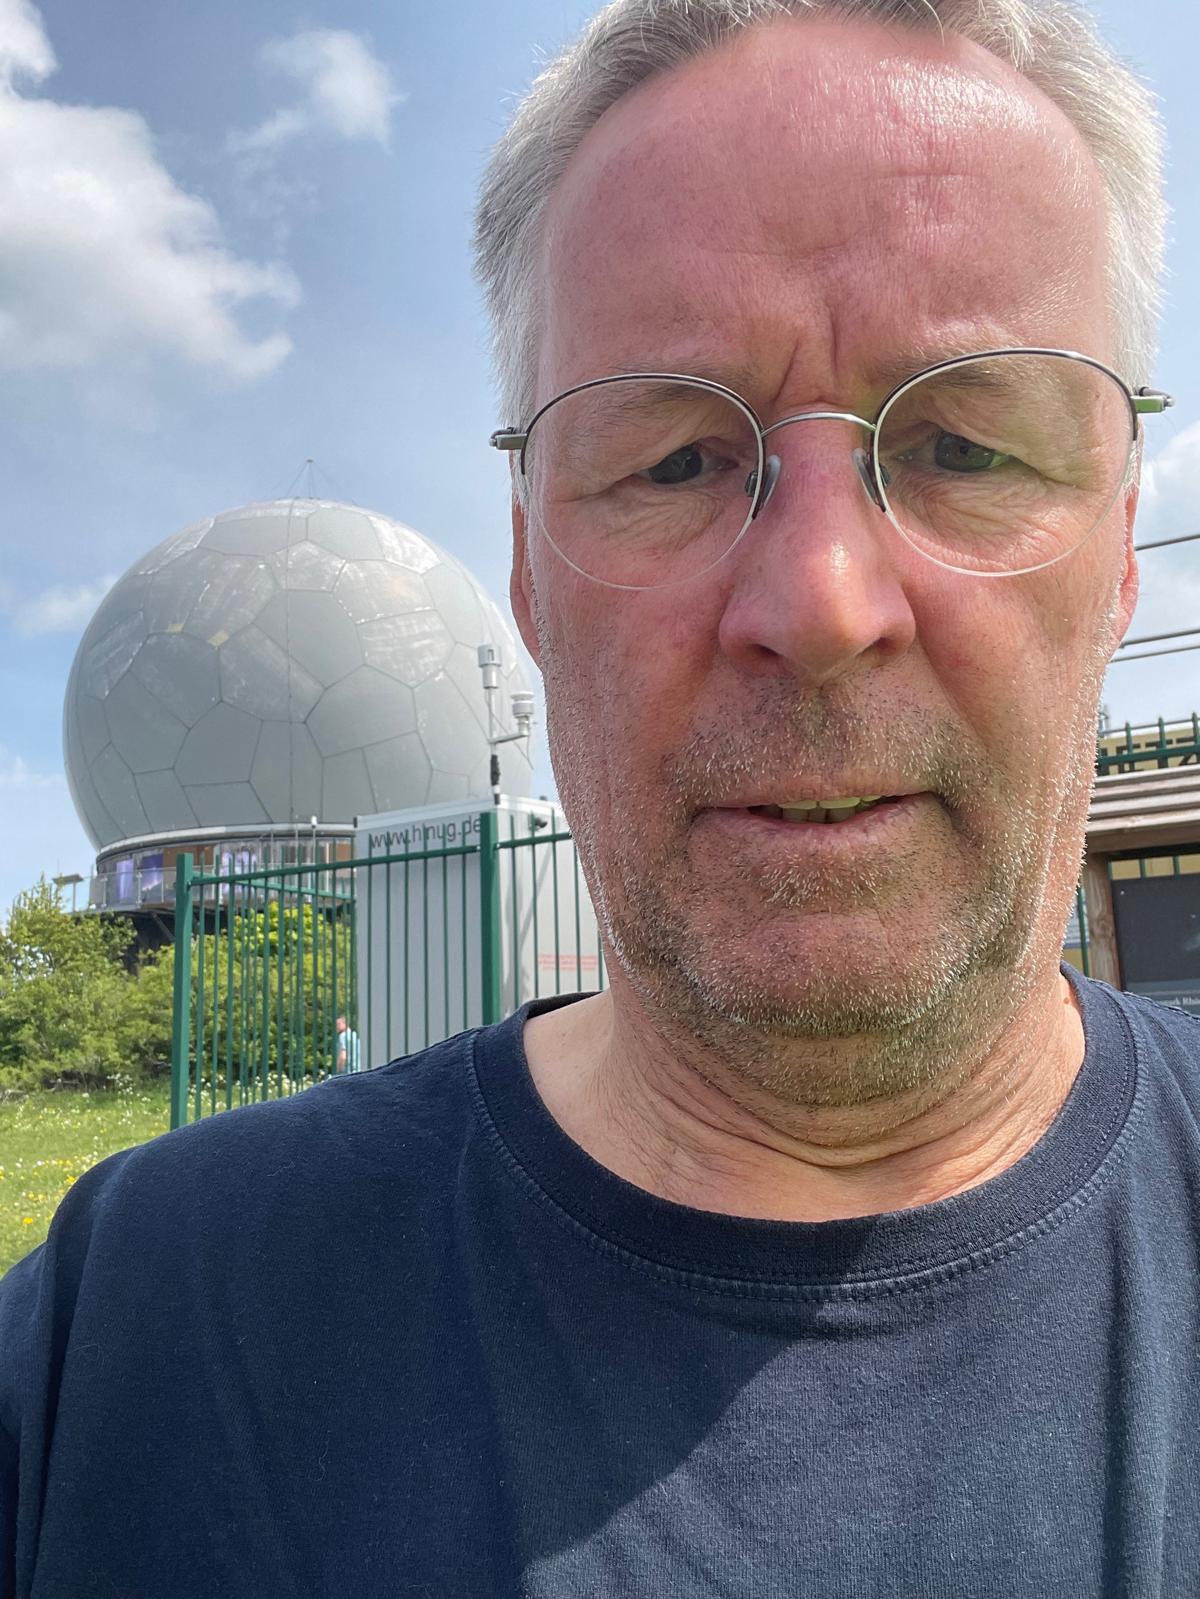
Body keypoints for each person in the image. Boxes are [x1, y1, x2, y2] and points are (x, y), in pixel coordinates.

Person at [1, 2, 1194, 1593]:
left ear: (1121, 555)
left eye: (967, 448)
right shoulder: (133, 1333)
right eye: (677, 461)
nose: (822, 603)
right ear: (526, 575)